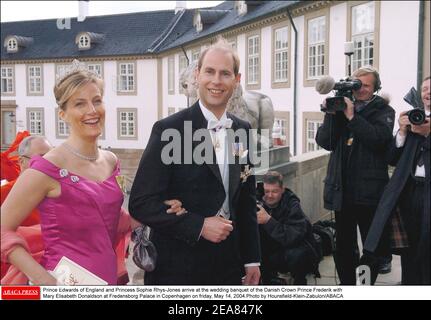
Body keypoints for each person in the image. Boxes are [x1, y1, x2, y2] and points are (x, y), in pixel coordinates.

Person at [129, 38, 261, 285]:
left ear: (237, 79)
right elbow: (140, 203)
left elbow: (246, 199)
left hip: (228, 267)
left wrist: (252, 259)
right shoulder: (169, 129)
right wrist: (198, 225)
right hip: (177, 268)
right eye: (209, 71)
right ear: (198, 75)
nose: (216, 81)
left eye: (225, 73)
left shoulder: (243, 131)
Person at [1, 67, 133, 285]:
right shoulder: (46, 168)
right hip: (63, 285)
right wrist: (45, 281)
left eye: (97, 100)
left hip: (106, 282)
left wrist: (162, 209)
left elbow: (111, 220)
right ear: (63, 114)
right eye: (79, 104)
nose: (92, 110)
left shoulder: (111, 161)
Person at [315, 66, 395, 285]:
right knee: (344, 246)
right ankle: (348, 285)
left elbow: (378, 139)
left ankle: (363, 286)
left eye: (365, 85)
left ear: (376, 88)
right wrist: (332, 116)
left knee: (372, 245)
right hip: (342, 191)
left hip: (369, 192)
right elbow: (325, 142)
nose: (359, 90)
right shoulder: (341, 107)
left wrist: (352, 117)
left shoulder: (383, 111)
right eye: (356, 85)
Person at [364, 76, 430, 284]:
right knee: (410, 245)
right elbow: (392, 158)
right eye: (425, 89)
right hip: (409, 192)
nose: (428, 93)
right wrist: (401, 131)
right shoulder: (415, 119)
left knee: (427, 246)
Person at [1, 135, 53, 281]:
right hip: (13, 275)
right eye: (40, 159)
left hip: (55, 270)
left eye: (51, 159)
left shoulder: (57, 192)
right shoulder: (5, 193)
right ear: (22, 162)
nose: (47, 165)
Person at [256, 171, 321, 285]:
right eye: (267, 191)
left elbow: (293, 236)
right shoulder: (258, 202)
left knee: (297, 254)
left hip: (290, 249)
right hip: (268, 249)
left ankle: (299, 282)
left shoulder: (292, 205)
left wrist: (268, 221)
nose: (270, 195)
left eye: (275, 191)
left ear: (282, 189)